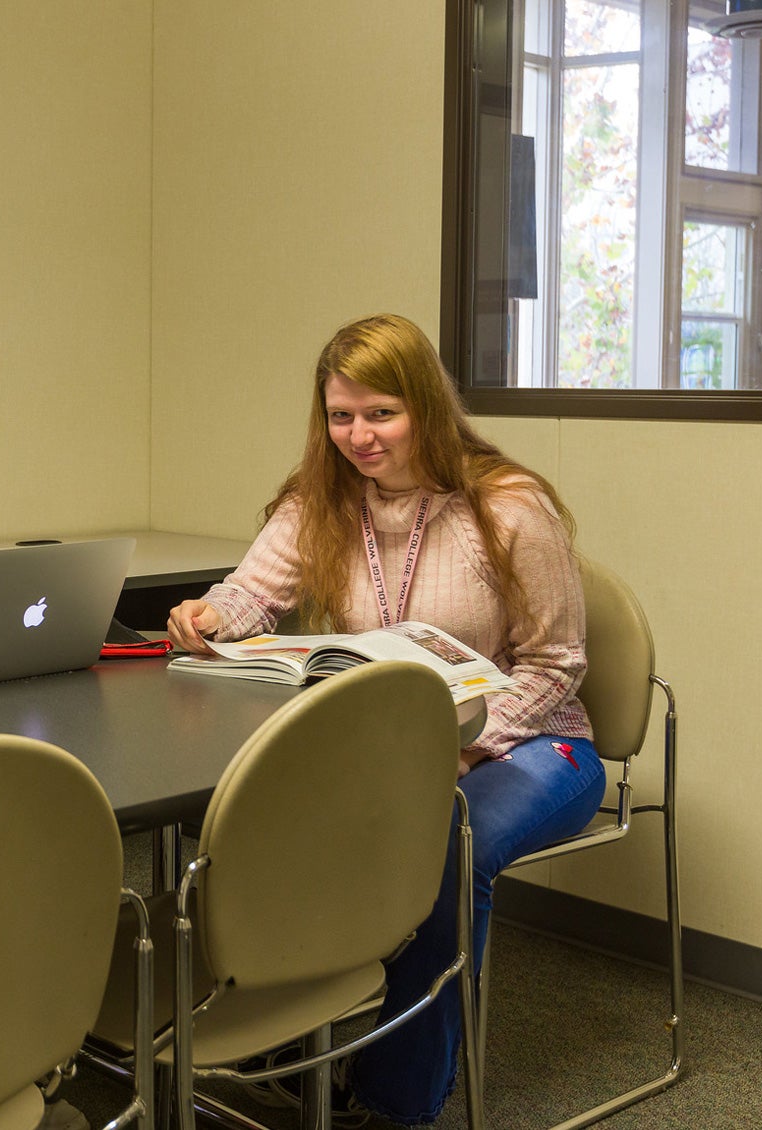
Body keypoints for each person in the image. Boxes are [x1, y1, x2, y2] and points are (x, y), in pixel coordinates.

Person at [166, 313, 604, 1126]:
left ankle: (396, 1101)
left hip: (537, 743)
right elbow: (250, 593)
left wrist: (461, 747)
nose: (359, 436)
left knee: (439, 840)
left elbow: (557, 666)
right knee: (286, 815)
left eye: (381, 414)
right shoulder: (322, 500)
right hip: (393, 749)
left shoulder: (509, 506)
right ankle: (287, 1039)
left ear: (426, 409)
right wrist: (211, 615)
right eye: (341, 416)